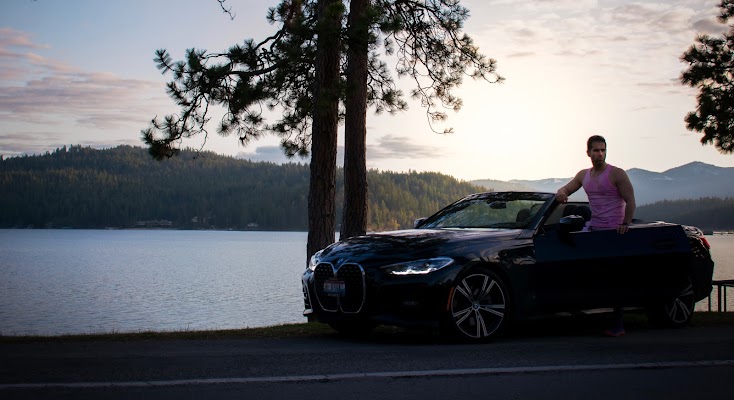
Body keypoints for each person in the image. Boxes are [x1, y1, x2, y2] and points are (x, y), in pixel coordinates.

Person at [555, 135, 636, 337]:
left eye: (603, 150)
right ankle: (585, 316)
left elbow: (631, 200)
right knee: (590, 274)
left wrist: (625, 224)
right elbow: (568, 187)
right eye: (596, 150)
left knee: (614, 279)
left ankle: (618, 323)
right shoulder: (584, 175)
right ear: (588, 152)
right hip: (595, 230)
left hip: (614, 232)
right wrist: (561, 192)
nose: (600, 154)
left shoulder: (617, 174)